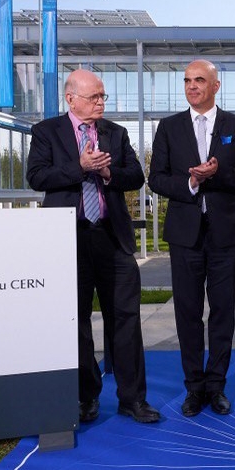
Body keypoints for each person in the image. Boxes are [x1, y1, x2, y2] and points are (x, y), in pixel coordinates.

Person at [27, 69, 159, 425]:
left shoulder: (115, 133)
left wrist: (106, 174)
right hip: (67, 239)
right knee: (77, 321)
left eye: (103, 96)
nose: (101, 102)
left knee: (127, 319)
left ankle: (133, 399)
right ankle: (86, 397)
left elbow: (136, 176)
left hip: (112, 238)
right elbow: (37, 176)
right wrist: (79, 166)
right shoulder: (46, 132)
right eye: (94, 97)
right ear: (71, 99)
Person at [149, 59, 235, 417]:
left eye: (199, 80)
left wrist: (216, 173)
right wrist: (193, 182)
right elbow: (157, 179)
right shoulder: (168, 127)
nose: (192, 86)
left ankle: (216, 386)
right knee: (188, 313)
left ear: (215, 86)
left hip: (225, 236)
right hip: (184, 237)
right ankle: (194, 388)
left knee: (223, 312)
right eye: (187, 80)